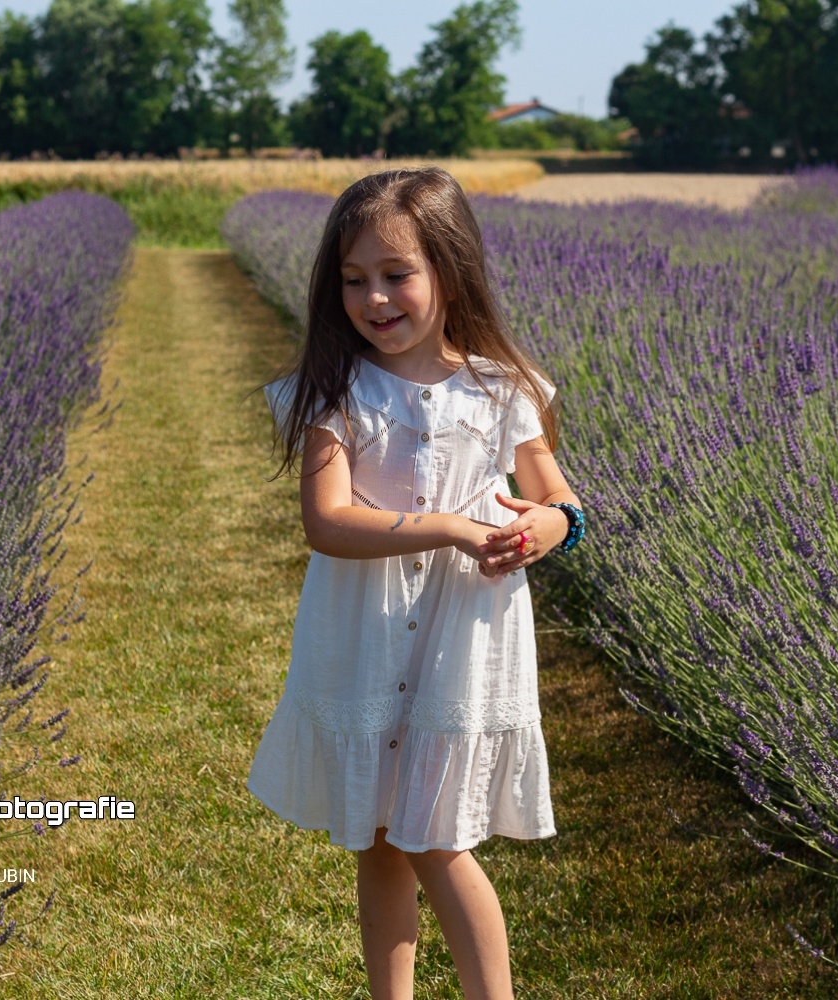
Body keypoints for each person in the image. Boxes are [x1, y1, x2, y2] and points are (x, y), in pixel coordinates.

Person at [248, 166, 586, 1000]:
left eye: (396, 274)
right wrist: (450, 527)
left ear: (450, 270)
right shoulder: (337, 392)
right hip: (364, 636)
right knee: (379, 835)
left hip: (460, 643)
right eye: (353, 279)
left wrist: (553, 527)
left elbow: (558, 496)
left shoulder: (502, 387)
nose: (374, 297)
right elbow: (326, 521)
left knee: (437, 837)